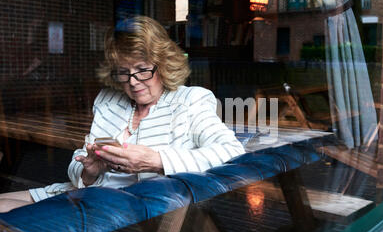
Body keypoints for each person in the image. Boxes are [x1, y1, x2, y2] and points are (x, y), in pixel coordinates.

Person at [0, 16, 245, 213]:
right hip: (82, 192)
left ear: (164, 63)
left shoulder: (190, 100)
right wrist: (90, 171)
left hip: (120, 207)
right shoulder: (109, 100)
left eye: (142, 69)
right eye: (123, 72)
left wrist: (157, 161)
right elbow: (82, 156)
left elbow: (232, 152)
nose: (134, 82)